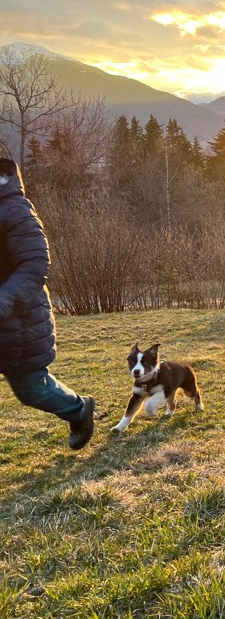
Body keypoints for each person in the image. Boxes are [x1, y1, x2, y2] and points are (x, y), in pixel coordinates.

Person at [0, 157, 94, 449]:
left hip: (17, 319)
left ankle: (79, 410)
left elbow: (36, 263)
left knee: (31, 390)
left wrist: (5, 298)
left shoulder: (14, 209)